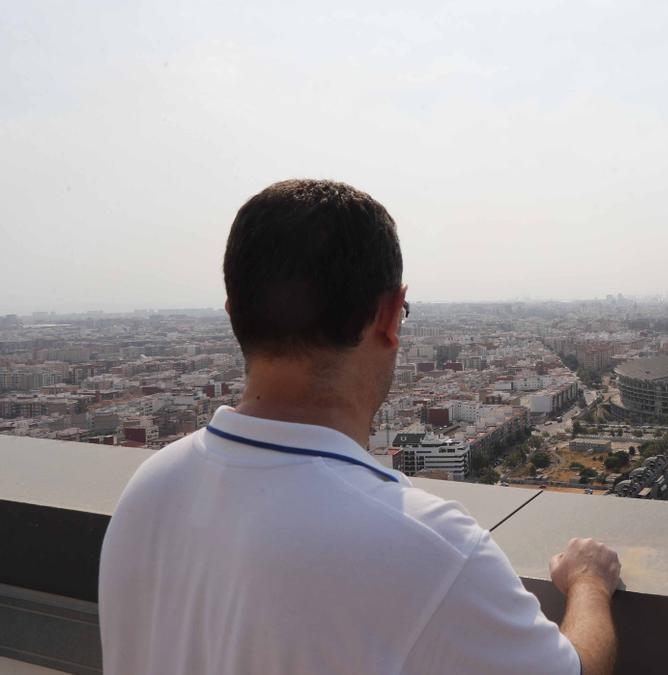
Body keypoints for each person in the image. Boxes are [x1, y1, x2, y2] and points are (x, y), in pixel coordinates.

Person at [98, 179, 622, 674]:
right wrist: (588, 581)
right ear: (390, 315)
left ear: (235, 313)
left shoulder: (147, 491)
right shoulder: (424, 547)